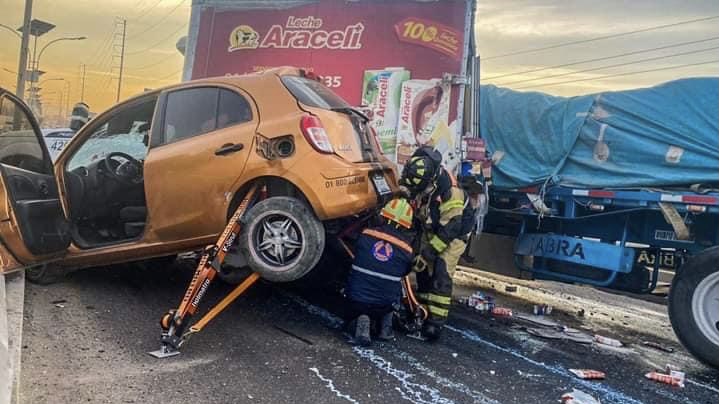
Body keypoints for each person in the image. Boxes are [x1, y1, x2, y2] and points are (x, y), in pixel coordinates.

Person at [399, 146, 482, 341]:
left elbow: (451, 228)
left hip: (454, 235)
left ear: (432, 181)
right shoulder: (422, 175)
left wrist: (428, 254)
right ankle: (422, 309)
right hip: (433, 227)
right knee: (423, 270)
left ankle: (435, 324)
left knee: (441, 273)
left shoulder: (450, 192)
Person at [344, 198, 417, 346]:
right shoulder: (407, 250)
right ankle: (386, 330)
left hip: (358, 300)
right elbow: (405, 272)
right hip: (386, 303)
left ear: (383, 215)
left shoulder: (366, 234)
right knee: (393, 289)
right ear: (406, 225)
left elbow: (356, 254)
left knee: (357, 289)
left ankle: (362, 320)